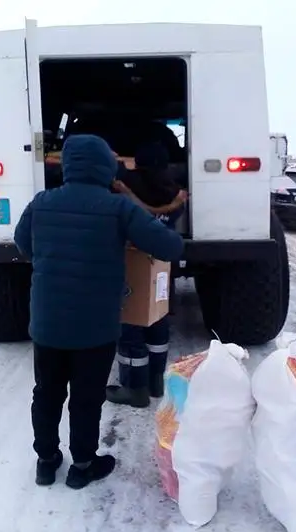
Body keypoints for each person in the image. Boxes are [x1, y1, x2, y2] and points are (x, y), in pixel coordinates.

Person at [14, 134, 184, 490]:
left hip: (47, 323)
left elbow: (22, 243)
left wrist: (50, 259)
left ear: (70, 165)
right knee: (86, 397)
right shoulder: (117, 207)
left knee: (46, 392)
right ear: (105, 167)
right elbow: (169, 246)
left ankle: (46, 462)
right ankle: (83, 466)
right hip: (95, 327)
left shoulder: (41, 202)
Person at [106, 142, 188, 408]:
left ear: (139, 163)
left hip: (133, 264)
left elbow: (115, 172)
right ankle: (155, 381)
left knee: (130, 327)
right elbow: (160, 215)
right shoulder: (176, 192)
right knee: (157, 319)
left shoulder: (127, 184)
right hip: (162, 265)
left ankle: (134, 388)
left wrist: (116, 163)